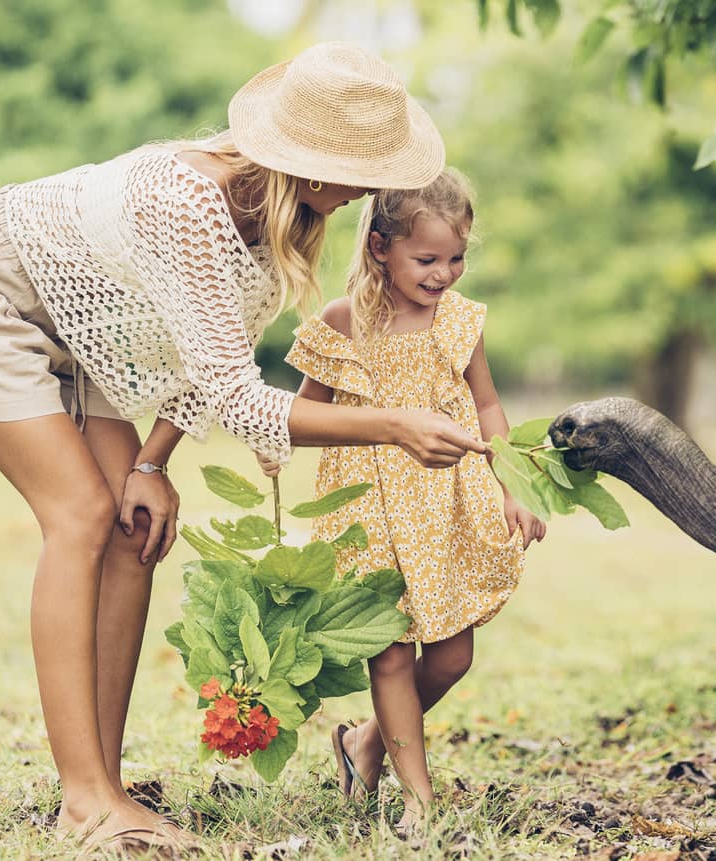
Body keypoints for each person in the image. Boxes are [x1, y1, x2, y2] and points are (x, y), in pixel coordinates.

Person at [0, 43, 487, 854]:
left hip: (84, 330)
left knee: (136, 533)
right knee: (80, 515)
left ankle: (102, 777)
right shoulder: (188, 200)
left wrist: (152, 462)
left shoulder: (280, 223)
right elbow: (241, 402)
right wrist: (393, 422)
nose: (368, 195)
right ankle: (85, 800)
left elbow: (204, 366)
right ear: (307, 163)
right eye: (359, 173)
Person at [280, 169, 544, 835]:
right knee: (391, 653)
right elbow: (299, 415)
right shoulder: (344, 323)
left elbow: (486, 404)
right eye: (427, 259)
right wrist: (271, 449)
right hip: (366, 508)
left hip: (444, 507)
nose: (444, 273)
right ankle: (417, 797)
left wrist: (516, 486)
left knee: (452, 656)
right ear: (379, 247)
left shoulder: (459, 321)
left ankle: (364, 741)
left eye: (455, 257)